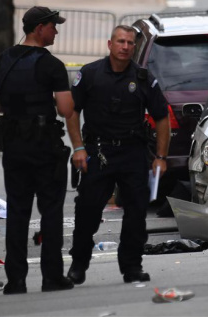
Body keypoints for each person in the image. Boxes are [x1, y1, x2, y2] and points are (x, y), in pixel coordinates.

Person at [67, 25, 170, 284]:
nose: (125, 47)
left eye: (130, 43)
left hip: (132, 152)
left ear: (135, 47)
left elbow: (162, 118)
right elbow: (71, 111)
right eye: (120, 42)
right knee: (88, 210)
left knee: (136, 212)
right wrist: (78, 148)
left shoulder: (144, 78)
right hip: (98, 151)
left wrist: (161, 157)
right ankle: (78, 264)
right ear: (109, 44)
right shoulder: (89, 74)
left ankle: (132, 267)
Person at [0, 6, 75, 294]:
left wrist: (17, 108)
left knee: (18, 213)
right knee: (51, 212)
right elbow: (65, 109)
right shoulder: (52, 65)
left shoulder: (4, 59)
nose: (56, 31)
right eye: (52, 26)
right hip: (44, 148)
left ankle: (16, 280)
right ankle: (52, 277)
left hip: (14, 148)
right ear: (39, 29)